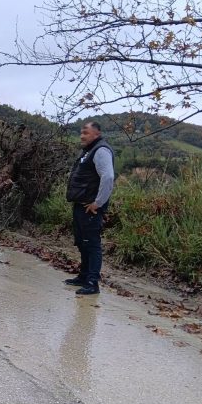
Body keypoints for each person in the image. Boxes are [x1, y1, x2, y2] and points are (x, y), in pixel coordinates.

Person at [64, 121, 115, 295]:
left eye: (85, 132)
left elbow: (108, 177)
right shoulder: (88, 151)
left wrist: (98, 203)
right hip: (81, 205)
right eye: (81, 132)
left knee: (92, 244)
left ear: (97, 134)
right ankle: (84, 276)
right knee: (82, 242)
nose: (82, 135)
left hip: (90, 208)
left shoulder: (101, 150)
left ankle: (93, 283)